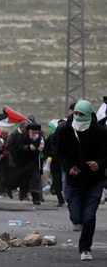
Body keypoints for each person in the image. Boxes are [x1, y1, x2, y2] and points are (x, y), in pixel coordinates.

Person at [54, 100, 107, 261]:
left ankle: (85, 248)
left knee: (89, 217)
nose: (78, 117)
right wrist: (68, 167)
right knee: (77, 218)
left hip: (94, 181)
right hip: (73, 181)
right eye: (76, 113)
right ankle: (79, 222)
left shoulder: (100, 132)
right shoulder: (63, 130)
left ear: (89, 114)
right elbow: (58, 151)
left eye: (82, 114)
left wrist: (99, 163)